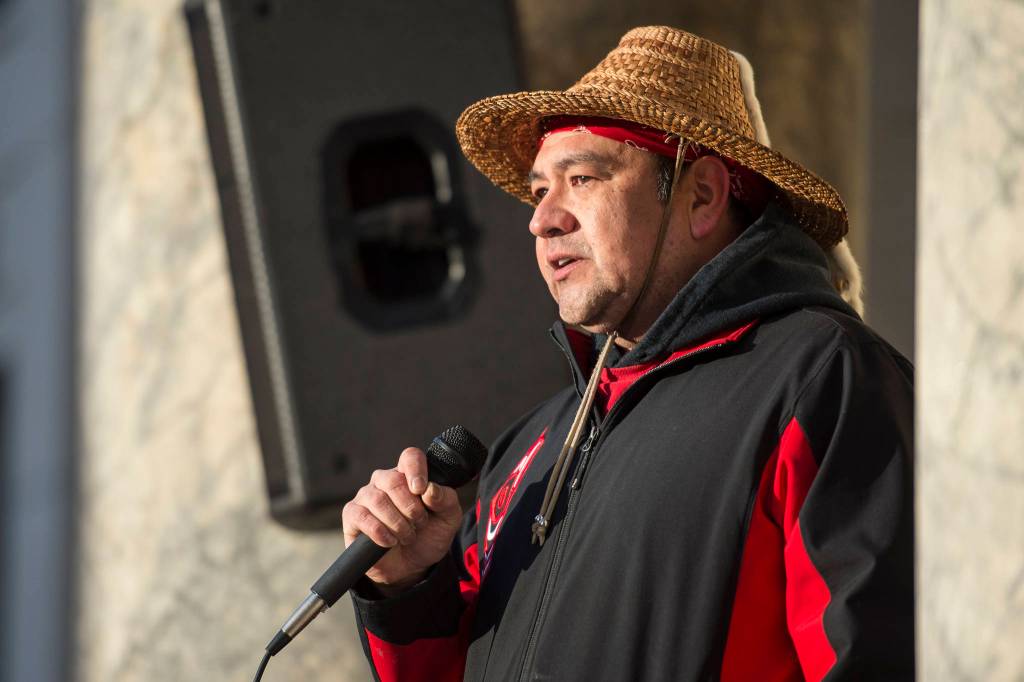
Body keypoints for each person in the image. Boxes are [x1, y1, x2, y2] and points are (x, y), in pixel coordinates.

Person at [341, 26, 914, 682]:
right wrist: (407, 587)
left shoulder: (820, 376)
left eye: (582, 178)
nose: (542, 219)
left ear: (702, 196)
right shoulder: (527, 446)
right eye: (539, 190)